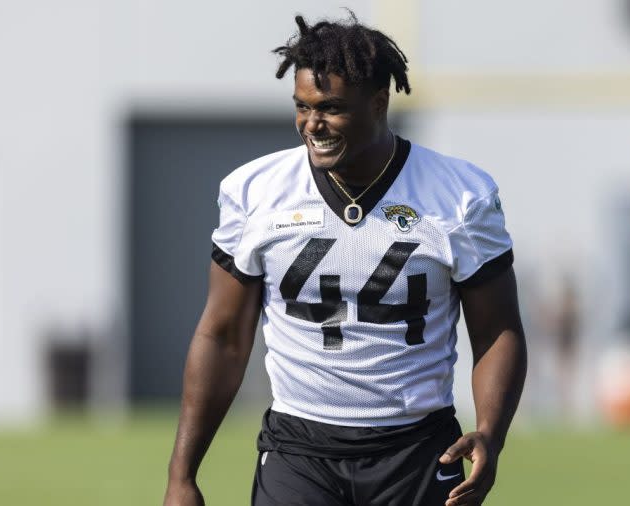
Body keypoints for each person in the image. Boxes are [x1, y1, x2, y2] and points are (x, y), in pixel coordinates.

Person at [163, 12, 527, 506]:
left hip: (415, 449)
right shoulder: (255, 191)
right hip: (299, 449)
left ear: (379, 103)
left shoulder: (459, 196)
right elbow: (223, 335)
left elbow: (498, 330)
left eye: (331, 108)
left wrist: (491, 433)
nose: (313, 124)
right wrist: (182, 474)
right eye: (302, 107)